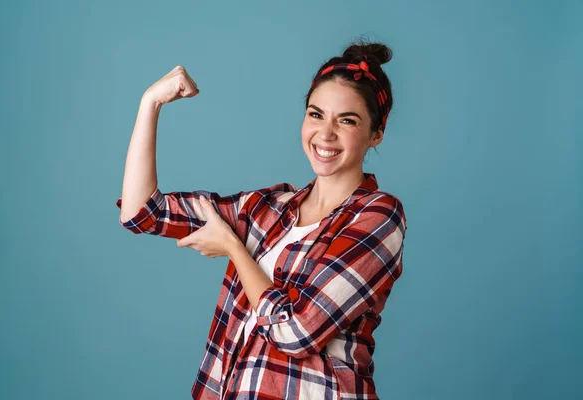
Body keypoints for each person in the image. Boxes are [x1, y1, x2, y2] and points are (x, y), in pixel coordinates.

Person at [116, 39, 408, 400]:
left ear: (376, 133)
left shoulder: (378, 216)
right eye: (316, 114)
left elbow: (297, 332)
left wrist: (233, 249)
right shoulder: (267, 208)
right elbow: (142, 213)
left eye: (347, 120)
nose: (326, 133)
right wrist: (151, 103)